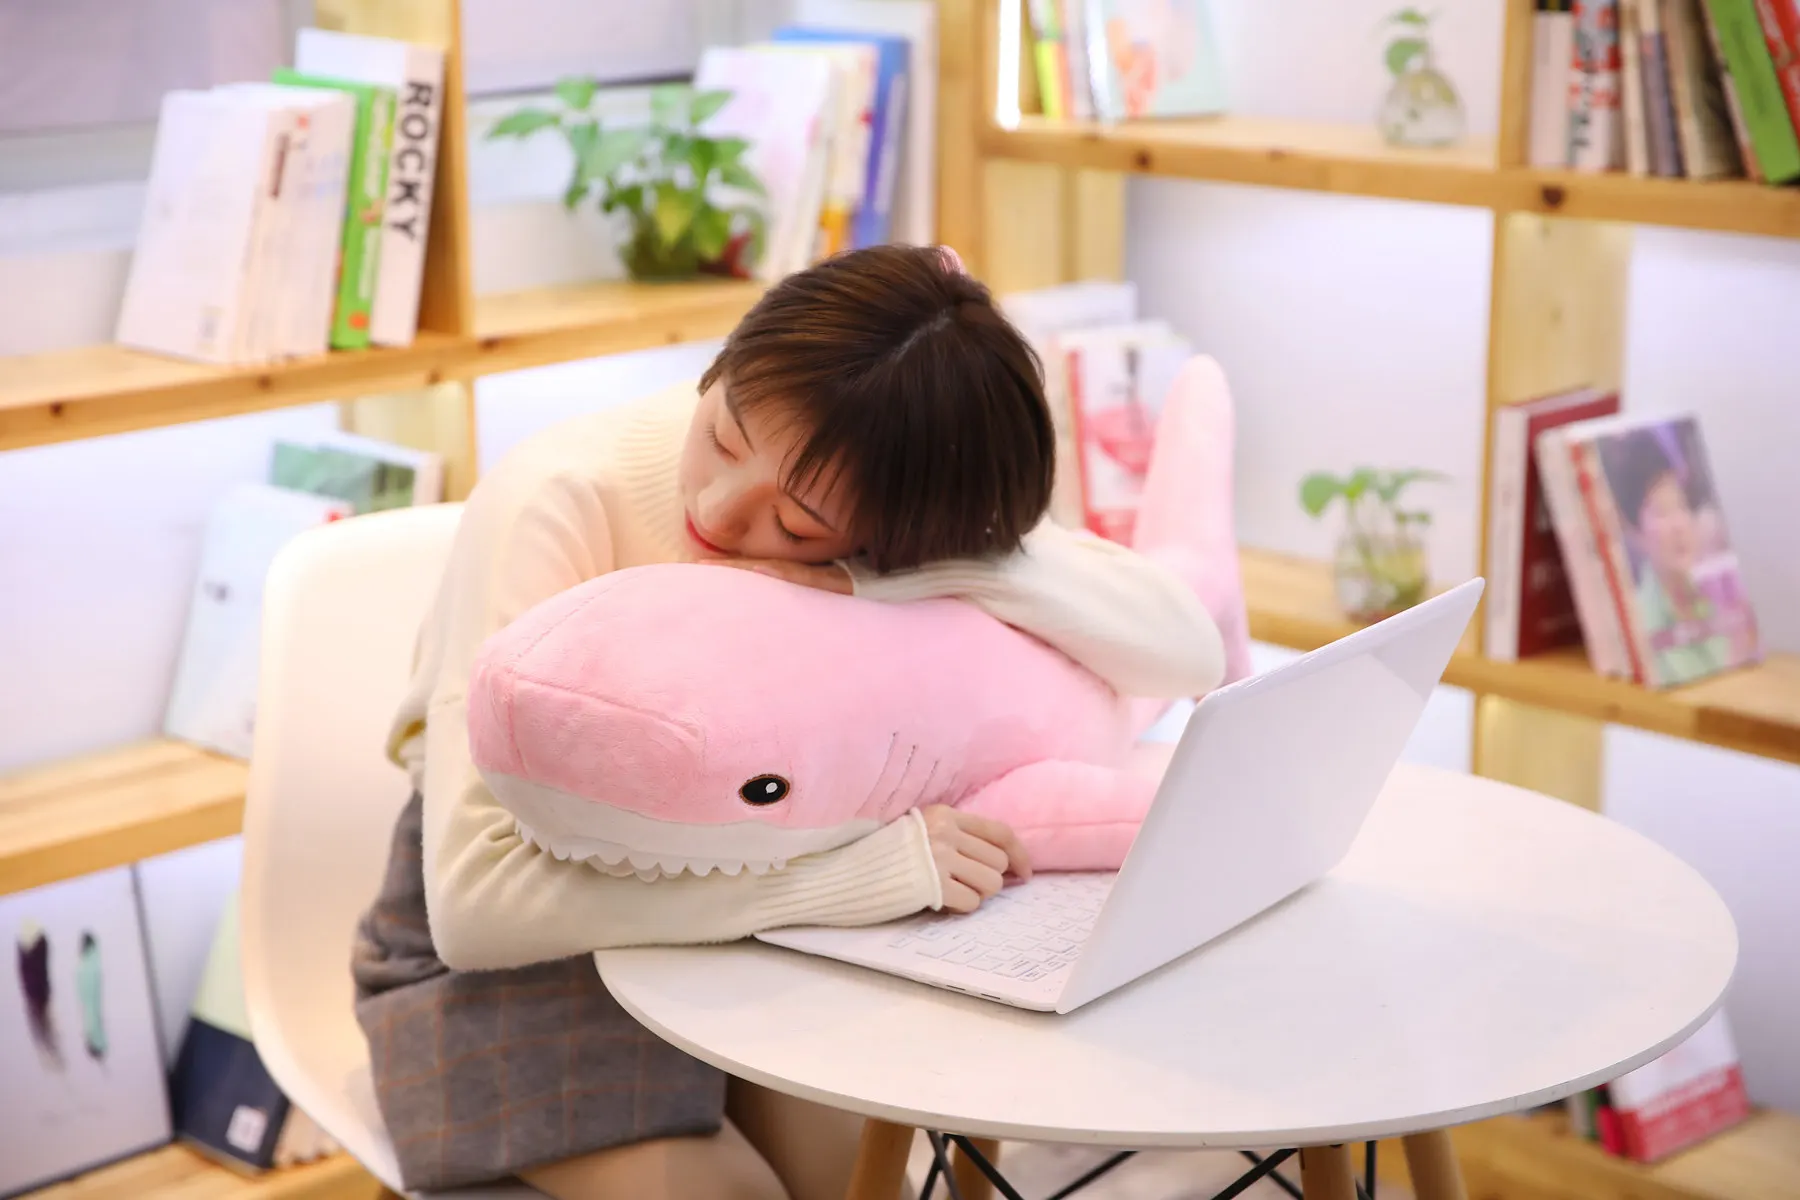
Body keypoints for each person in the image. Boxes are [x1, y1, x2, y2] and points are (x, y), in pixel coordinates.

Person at [350, 245, 1225, 1200]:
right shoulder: (556, 497)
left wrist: (922, 574)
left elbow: (1186, 651)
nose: (719, 512)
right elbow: (472, 905)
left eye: (800, 525)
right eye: (721, 438)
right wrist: (854, 875)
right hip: (523, 950)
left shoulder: (890, 471)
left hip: (742, 936)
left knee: (879, 1183)